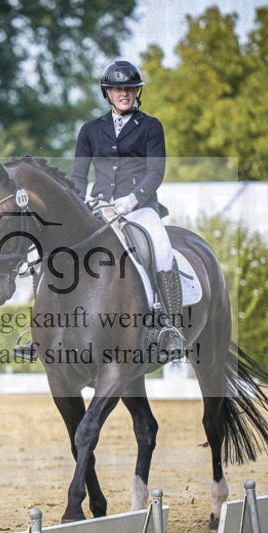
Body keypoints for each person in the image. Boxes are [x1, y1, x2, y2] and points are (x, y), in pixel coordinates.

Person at [70, 60, 185, 354]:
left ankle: (171, 326)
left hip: (139, 208)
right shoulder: (90, 130)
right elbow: (78, 176)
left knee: (161, 248)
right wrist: (79, 203)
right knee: (62, 248)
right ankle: (43, 327)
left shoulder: (150, 126)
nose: (124, 94)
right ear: (107, 93)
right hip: (99, 207)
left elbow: (156, 172)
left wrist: (132, 199)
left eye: (130, 89)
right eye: (118, 89)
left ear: (137, 92)